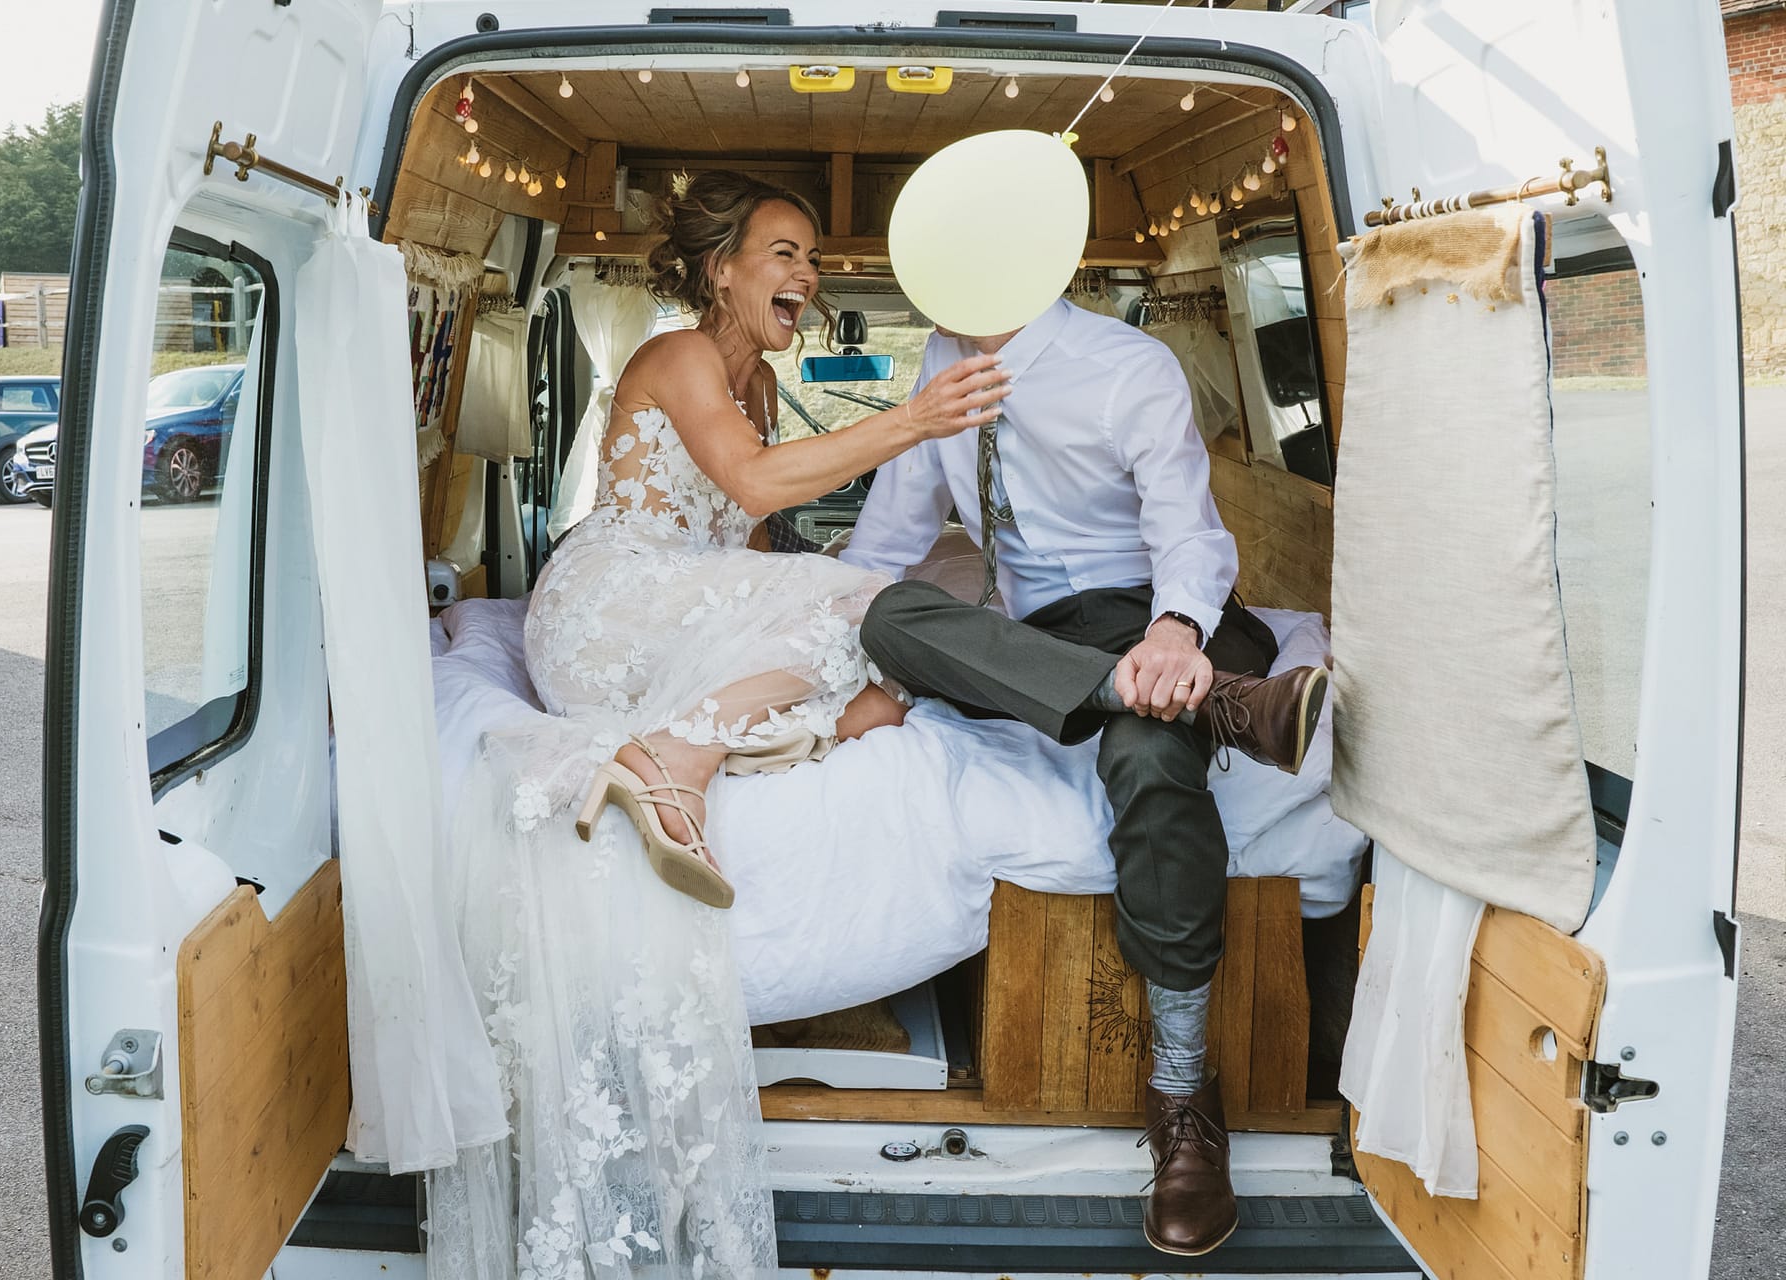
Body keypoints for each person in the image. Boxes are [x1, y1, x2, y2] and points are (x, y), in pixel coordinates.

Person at [841, 298, 1327, 1256]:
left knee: (1147, 759)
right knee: (891, 618)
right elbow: (883, 547)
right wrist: (817, 656)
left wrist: (1175, 634)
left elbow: (1188, 530)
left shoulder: (1126, 364)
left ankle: (1184, 1100)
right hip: (1050, 640)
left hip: (1165, 607)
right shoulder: (938, 368)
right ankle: (1227, 708)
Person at [523, 168, 1007, 906]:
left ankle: (712, 743)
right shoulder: (679, 356)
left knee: (892, 665)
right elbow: (753, 481)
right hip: (605, 610)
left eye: (812, 260)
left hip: (679, 604)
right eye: (785, 254)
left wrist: (807, 580)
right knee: (875, 603)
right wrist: (913, 420)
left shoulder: (763, 389)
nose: (806, 275)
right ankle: (673, 761)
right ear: (721, 271)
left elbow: (743, 542)